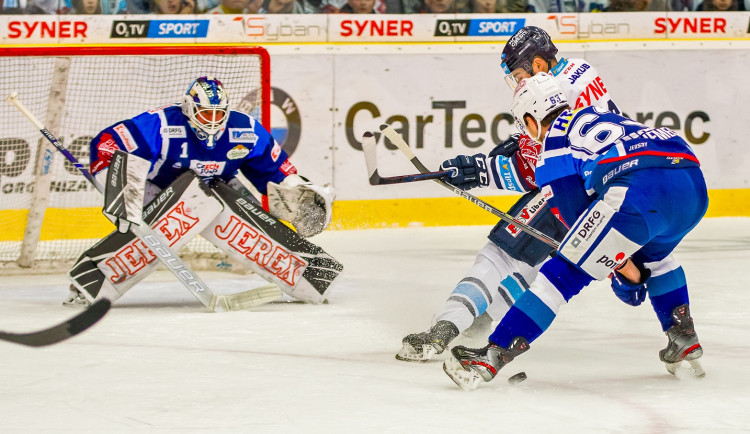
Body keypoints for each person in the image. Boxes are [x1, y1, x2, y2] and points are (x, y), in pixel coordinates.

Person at [442, 73, 707, 390]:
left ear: (530, 118)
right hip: (692, 183)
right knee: (658, 258)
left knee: (563, 271)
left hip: (640, 190)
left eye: (523, 124)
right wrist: (629, 267)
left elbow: (578, 227)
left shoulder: (553, 147)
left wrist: (623, 274)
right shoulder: (595, 114)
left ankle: (491, 355)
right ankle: (682, 334)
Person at [396, 26, 619, 363]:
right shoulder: (580, 71)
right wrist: (511, 149)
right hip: (602, 195)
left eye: (518, 74)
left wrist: (481, 170)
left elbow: (531, 170)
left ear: (539, 66)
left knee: (499, 255)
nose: (517, 83)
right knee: (531, 264)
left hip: (567, 190)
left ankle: (444, 330)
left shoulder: (550, 89)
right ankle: (482, 320)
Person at [65, 77, 337, 307]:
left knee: (240, 219)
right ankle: (92, 281)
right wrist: (121, 188)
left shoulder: (245, 130)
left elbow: (274, 169)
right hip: (159, 190)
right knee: (188, 205)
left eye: (220, 114)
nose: (213, 121)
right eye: (206, 113)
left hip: (217, 188)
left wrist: (294, 186)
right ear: (188, 108)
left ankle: (306, 276)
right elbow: (108, 143)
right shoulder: (162, 124)